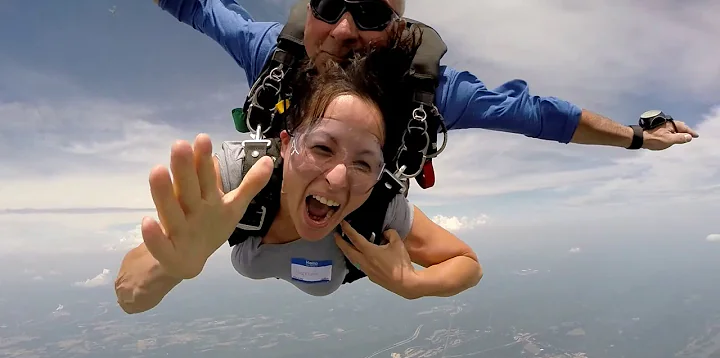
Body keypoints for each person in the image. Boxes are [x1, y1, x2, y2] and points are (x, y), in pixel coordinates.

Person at [115, 28, 483, 314]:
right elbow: (129, 295)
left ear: (379, 173)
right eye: (322, 147)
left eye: (364, 162)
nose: (338, 178)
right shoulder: (240, 179)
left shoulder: (377, 207)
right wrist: (171, 266)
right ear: (287, 143)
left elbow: (467, 265)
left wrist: (411, 284)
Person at [153, 0, 698, 156]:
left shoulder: (428, 91)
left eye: (369, 15)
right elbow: (196, 6)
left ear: (395, 30)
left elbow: (539, 116)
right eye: (329, 5)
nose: (343, 28)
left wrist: (638, 137)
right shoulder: (273, 53)